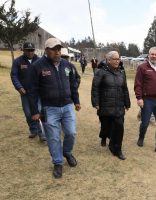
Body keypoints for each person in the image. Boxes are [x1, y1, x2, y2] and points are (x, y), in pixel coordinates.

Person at [29, 38, 81, 178]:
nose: (57, 52)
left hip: (67, 106)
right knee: (53, 138)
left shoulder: (67, 65)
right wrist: (34, 111)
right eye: (54, 49)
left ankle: (67, 152)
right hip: (49, 108)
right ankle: (58, 163)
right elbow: (32, 90)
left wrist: (76, 101)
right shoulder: (37, 66)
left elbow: (73, 85)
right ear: (47, 50)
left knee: (71, 133)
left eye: (59, 49)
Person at [91, 51, 130, 160]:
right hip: (105, 105)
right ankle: (103, 137)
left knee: (119, 128)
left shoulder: (122, 72)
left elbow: (125, 88)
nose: (117, 61)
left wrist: (127, 103)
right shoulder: (101, 72)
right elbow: (95, 88)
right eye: (114, 59)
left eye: (118, 59)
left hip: (118, 106)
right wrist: (96, 102)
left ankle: (117, 149)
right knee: (106, 127)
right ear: (108, 60)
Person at [134, 46, 156, 156]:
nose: (154, 56)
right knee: (145, 123)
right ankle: (141, 137)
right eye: (152, 54)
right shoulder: (142, 68)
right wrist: (139, 98)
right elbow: (138, 84)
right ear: (149, 55)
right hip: (147, 100)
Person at [10, 42, 46, 141]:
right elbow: (14, 75)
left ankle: (41, 133)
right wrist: (19, 87)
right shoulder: (18, 61)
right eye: (28, 50)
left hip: (37, 92)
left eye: (32, 50)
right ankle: (33, 130)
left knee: (38, 110)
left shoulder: (39, 60)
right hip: (25, 92)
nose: (30, 52)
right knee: (28, 113)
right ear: (24, 50)